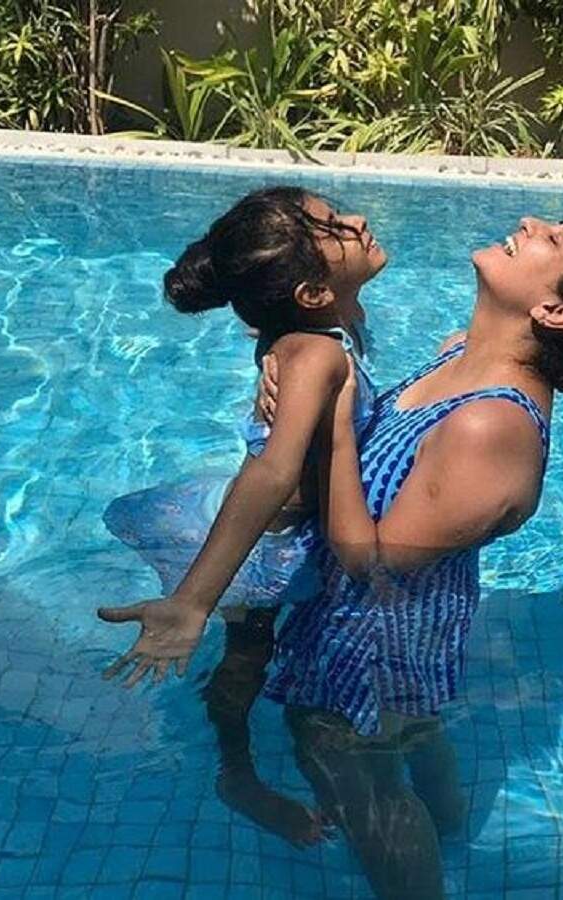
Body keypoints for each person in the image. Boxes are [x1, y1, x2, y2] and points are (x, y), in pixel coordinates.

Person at [258, 216, 563, 898]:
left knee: (364, 780)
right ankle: (450, 820)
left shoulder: (489, 424)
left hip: (375, 640)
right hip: (404, 628)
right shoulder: (459, 355)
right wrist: (291, 376)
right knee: (410, 731)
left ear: (556, 311)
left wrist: (329, 426)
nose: (531, 223)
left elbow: (371, 564)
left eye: (555, 239)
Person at [98, 185, 386, 846]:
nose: (359, 220)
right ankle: (237, 774)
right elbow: (273, 473)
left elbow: (276, 335)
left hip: (278, 520)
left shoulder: (314, 326)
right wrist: (192, 602)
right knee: (250, 652)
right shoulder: (315, 353)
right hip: (267, 542)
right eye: (337, 227)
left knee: (268, 647)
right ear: (311, 293)